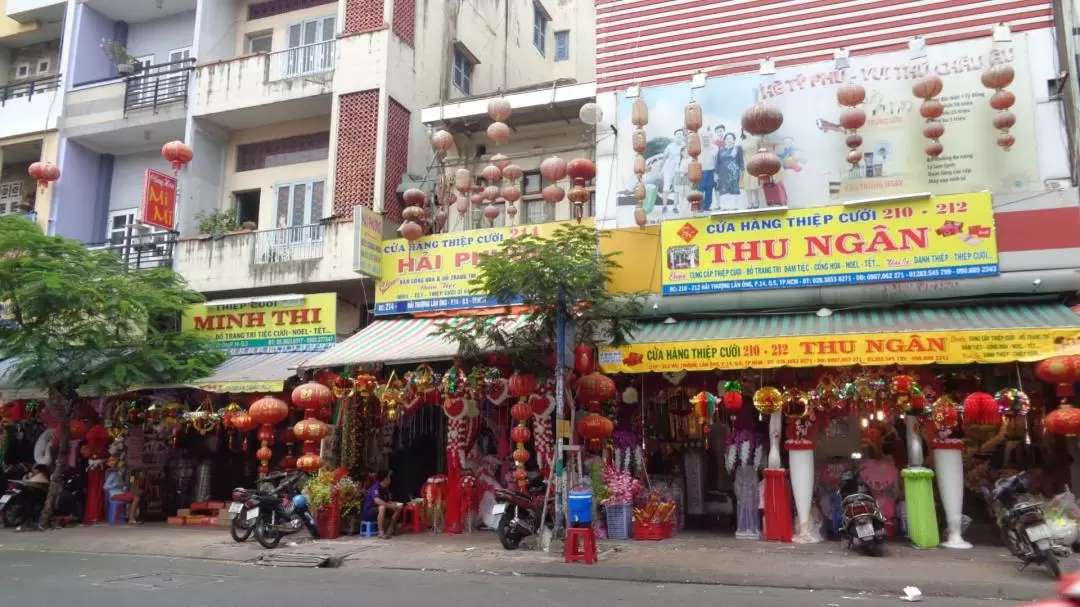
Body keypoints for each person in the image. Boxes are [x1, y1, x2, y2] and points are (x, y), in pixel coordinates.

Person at [362, 470, 402, 539]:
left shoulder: (385, 489)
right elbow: (377, 500)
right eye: (389, 478)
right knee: (382, 507)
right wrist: (390, 505)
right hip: (369, 512)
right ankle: (380, 532)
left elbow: (388, 501)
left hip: (378, 511)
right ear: (385, 479)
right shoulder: (376, 487)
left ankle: (390, 530)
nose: (390, 479)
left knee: (398, 508)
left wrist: (395, 505)